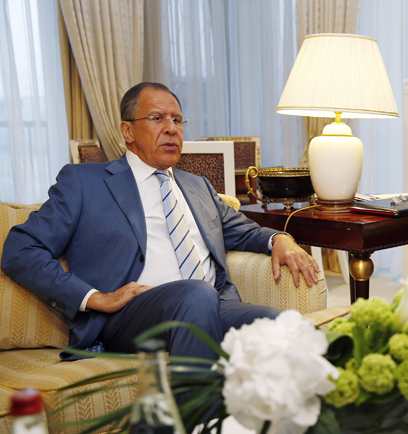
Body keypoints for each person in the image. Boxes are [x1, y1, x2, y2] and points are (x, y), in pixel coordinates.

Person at [1, 82, 321, 362]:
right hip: (128, 317)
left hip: (210, 304)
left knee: (277, 323)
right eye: (157, 118)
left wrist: (281, 239)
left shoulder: (197, 186)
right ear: (127, 131)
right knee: (195, 294)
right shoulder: (85, 182)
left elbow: (243, 230)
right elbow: (21, 248)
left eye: (177, 120)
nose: (171, 128)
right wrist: (94, 297)